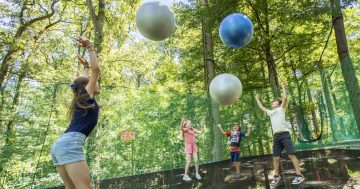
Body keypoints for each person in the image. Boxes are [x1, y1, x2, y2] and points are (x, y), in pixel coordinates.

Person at [50, 36, 101, 189]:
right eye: (94, 81)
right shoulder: (86, 95)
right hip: (71, 143)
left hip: (60, 145)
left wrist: (85, 67)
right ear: (87, 86)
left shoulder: (81, 97)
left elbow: (84, 80)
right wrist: (90, 47)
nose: (97, 83)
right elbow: (96, 70)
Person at [255, 85, 305, 185]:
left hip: (285, 135)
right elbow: (261, 107)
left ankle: (299, 175)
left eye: (274, 101)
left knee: (291, 155)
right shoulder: (270, 112)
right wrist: (257, 98)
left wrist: (284, 88)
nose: (272, 103)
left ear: (278, 104)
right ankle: (276, 176)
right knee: (275, 157)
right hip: (276, 137)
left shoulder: (281, 109)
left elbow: (285, 98)